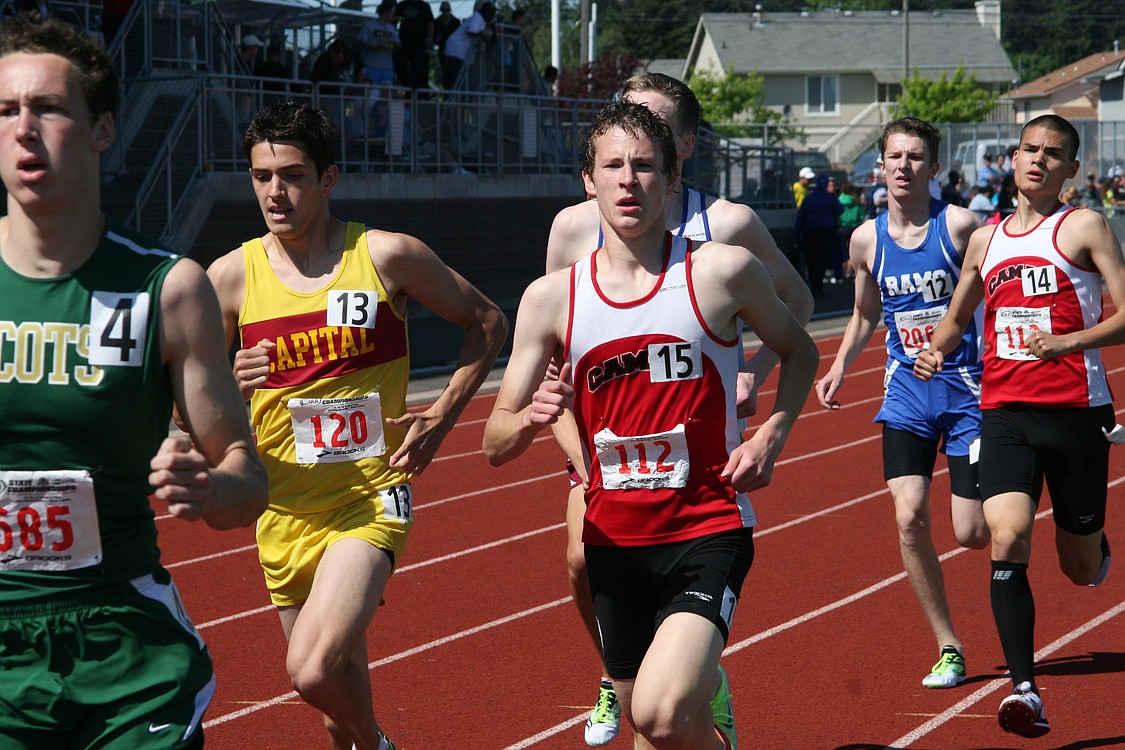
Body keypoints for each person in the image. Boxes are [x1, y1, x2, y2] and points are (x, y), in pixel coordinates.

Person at [483, 98, 818, 750]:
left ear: (671, 178)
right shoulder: (552, 298)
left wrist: (772, 431)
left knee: (661, 715)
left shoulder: (720, 273)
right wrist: (527, 418)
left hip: (705, 528)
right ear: (589, 180)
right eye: (612, 166)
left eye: (643, 166)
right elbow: (493, 443)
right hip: (614, 540)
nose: (627, 180)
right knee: (651, 724)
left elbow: (799, 347)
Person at [0, 16, 268, 749]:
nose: (25, 129)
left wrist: (211, 488)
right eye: (4, 111)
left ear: (102, 129)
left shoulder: (167, 289)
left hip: (123, 644)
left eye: (49, 108)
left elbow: (247, 478)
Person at [206, 101, 507, 750]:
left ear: (328, 179)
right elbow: (188, 405)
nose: (274, 192)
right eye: (260, 177)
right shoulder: (230, 279)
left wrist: (441, 416)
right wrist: (229, 384)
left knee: (310, 671)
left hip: (371, 496)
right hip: (281, 508)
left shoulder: (385, 256)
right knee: (332, 708)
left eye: (290, 175)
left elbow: (486, 323)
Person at [914, 114, 1121, 739]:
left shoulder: (1083, 226)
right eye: (1029, 150)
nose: (1038, 161)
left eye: (1053, 155)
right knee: (1007, 539)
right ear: (1012, 156)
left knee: (1080, 569)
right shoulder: (985, 239)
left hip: (1078, 413)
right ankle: (1026, 691)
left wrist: (1070, 341)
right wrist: (936, 349)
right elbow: (956, 317)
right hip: (1004, 412)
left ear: (1071, 169)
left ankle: (1093, 542)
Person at [815, 117, 990, 692]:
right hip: (907, 391)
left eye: (916, 157)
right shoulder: (866, 239)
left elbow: (1005, 278)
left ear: (933, 168)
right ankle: (948, 645)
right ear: (880, 165)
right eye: (895, 156)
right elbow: (866, 312)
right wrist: (841, 362)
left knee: (970, 533)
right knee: (909, 516)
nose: (904, 167)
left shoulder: (961, 227)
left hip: (969, 388)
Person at [793, 172, 842, 297]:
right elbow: (840, 209)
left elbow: (800, 217)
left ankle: (814, 285)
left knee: (811, 260)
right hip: (824, 232)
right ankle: (818, 287)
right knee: (821, 260)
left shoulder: (809, 197)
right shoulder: (829, 197)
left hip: (809, 232)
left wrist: (796, 236)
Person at [441, 0, 494, 90]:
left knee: (459, 77)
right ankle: (449, 97)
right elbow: (472, 31)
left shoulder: (481, 20)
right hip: (455, 50)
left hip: (460, 52)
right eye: (491, 13)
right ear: (486, 12)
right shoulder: (477, 17)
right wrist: (482, 34)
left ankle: (453, 95)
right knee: (453, 77)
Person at [392, 0, 433, 90]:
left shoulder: (424, 6)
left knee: (418, 69)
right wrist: (393, 38)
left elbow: (430, 24)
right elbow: (394, 23)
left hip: (419, 43)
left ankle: (415, 91)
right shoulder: (402, 5)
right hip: (403, 42)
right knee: (399, 66)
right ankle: (408, 87)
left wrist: (429, 39)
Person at [358, 0, 399, 87]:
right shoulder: (369, 25)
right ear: (385, 13)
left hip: (387, 67)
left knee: (386, 94)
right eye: (391, 13)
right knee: (371, 94)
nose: (392, 16)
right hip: (371, 65)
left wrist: (391, 43)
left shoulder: (391, 28)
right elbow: (361, 42)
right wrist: (375, 48)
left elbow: (398, 44)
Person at [432, 1, 459, 81]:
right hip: (443, 50)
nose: (445, 12)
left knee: (453, 71)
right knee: (445, 70)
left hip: (454, 51)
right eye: (443, 10)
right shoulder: (436, 22)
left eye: (447, 10)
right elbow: (434, 38)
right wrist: (436, 39)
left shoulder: (455, 22)